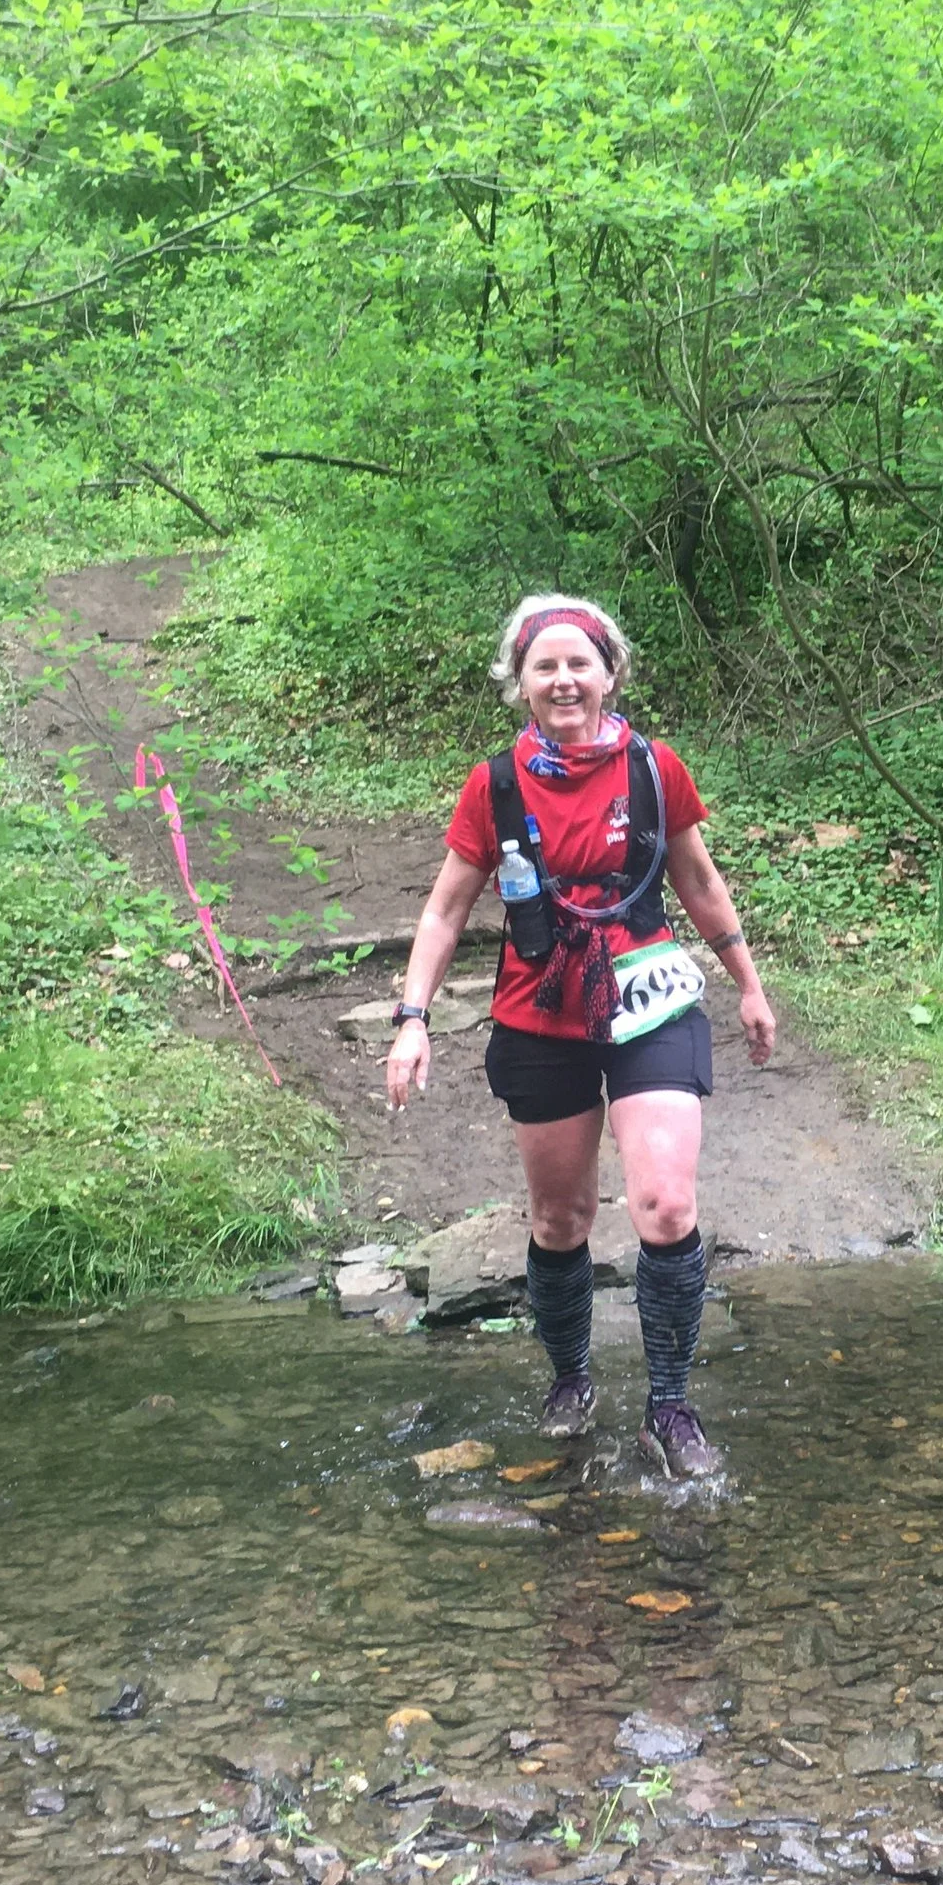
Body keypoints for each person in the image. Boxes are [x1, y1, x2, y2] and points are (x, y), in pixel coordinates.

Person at [383, 594, 776, 1482]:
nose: (563, 679)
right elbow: (446, 910)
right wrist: (412, 1018)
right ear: (519, 683)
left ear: (610, 673)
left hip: (651, 1002)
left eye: (579, 662)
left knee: (666, 1205)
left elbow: (702, 882)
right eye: (543, 666)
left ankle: (668, 1406)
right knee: (560, 1219)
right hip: (541, 1012)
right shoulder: (495, 784)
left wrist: (748, 984)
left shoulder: (653, 767)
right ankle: (570, 1378)